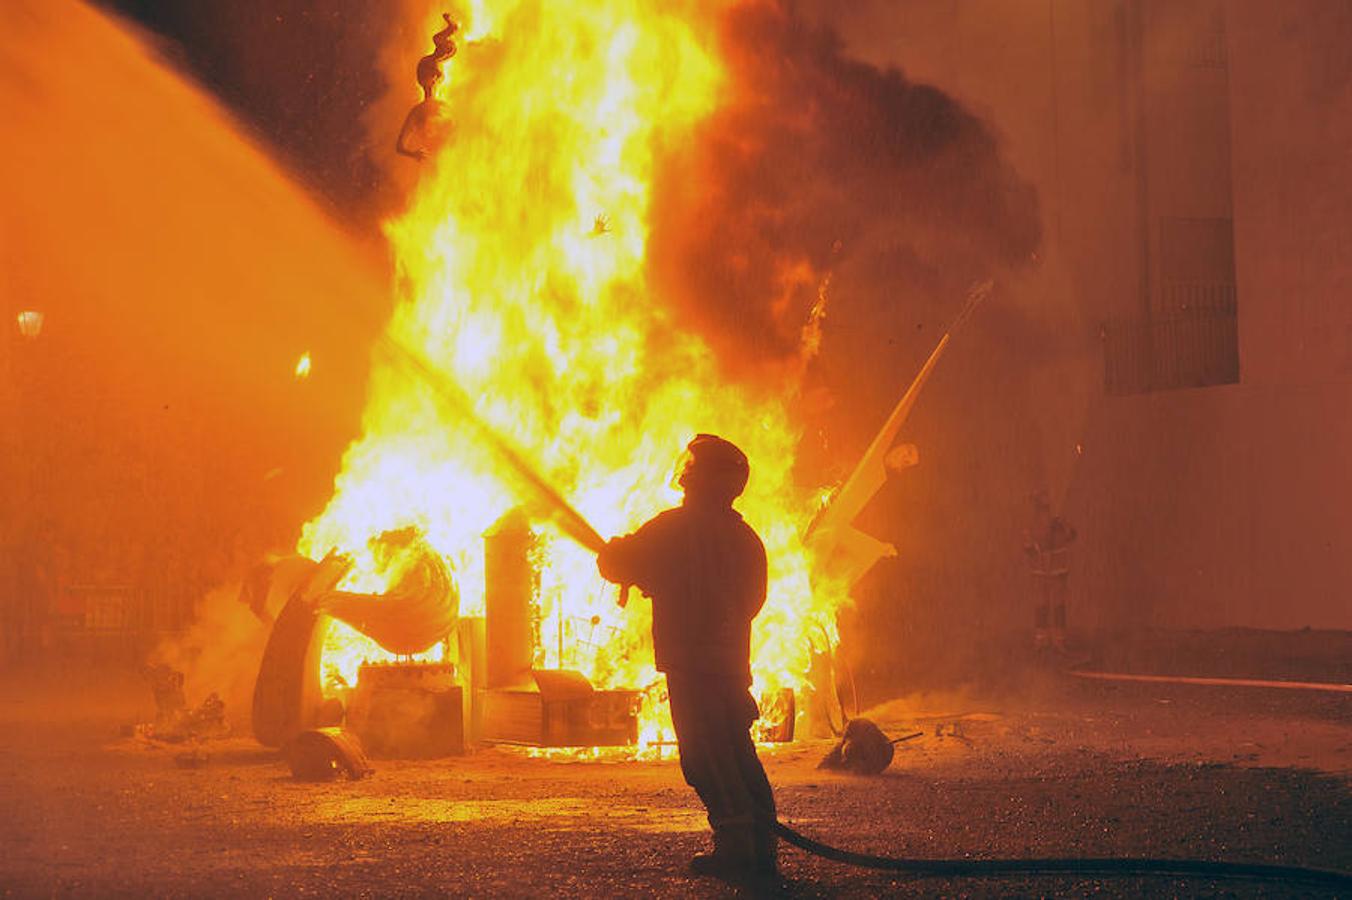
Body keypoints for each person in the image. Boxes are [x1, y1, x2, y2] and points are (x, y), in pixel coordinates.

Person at [597, 434, 777, 879]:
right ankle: (760, 844)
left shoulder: (674, 527)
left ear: (706, 479)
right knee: (737, 748)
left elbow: (621, 564)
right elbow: (753, 600)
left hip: (690, 664)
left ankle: (738, 851)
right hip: (730, 664)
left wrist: (616, 552)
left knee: (704, 755)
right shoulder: (745, 538)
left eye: (696, 466)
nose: (688, 472)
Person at [1023, 490, 1077, 653]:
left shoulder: (1058, 522)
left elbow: (1072, 536)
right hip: (1041, 569)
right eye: (1043, 506)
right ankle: (1042, 641)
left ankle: (1059, 641)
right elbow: (1028, 547)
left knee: (1058, 604)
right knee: (1042, 603)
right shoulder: (1032, 524)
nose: (1046, 510)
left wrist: (1063, 526)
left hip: (1057, 568)